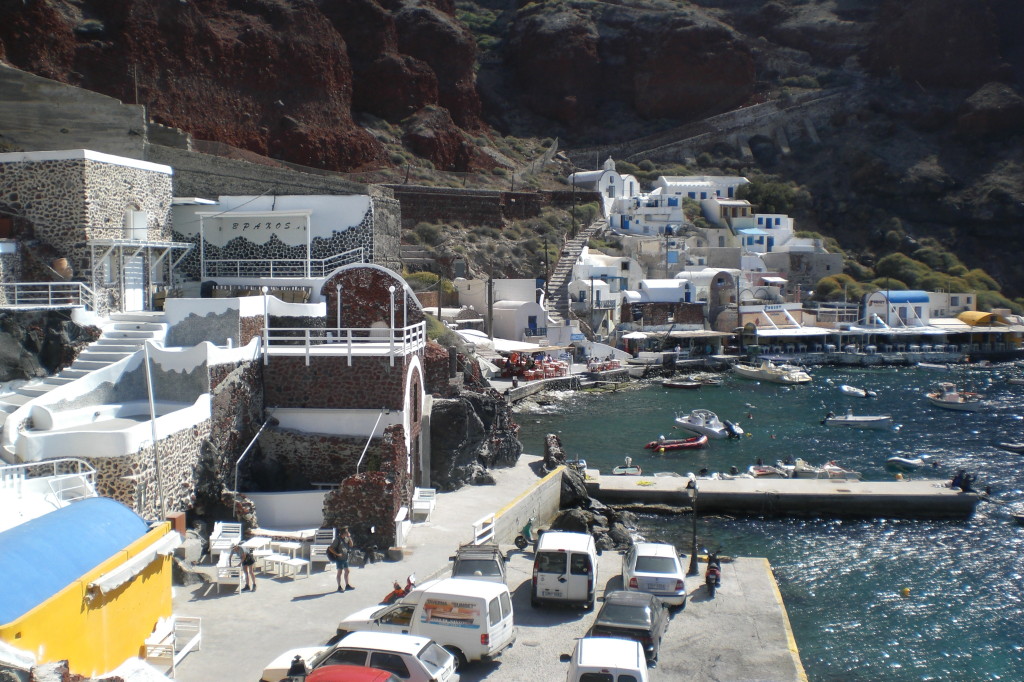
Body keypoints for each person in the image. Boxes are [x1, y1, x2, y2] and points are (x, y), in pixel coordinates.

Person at [329, 526, 355, 592]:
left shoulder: (346, 538)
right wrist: (337, 554)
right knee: (339, 572)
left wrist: (349, 538)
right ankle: (339, 586)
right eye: (347, 532)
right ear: (343, 533)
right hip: (339, 559)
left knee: (347, 571)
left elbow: (351, 545)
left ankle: (347, 585)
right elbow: (330, 548)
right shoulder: (337, 539)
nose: (348, 533)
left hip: (345, 558)